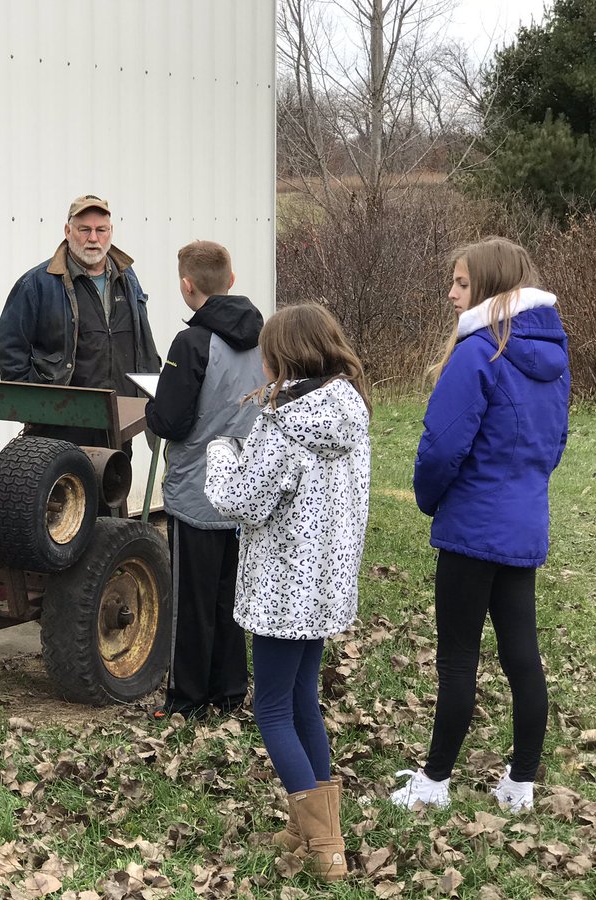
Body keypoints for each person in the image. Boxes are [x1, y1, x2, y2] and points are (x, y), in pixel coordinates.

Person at [390, 237, 570, 814]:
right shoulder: (554, 357)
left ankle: (436, 782)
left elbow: (441, 448)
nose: (451, 293)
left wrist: (428, 496)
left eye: (461, 283)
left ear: (489, 288)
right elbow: (554, 445)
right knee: (522, 651)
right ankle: (520, 784)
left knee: (458, 657)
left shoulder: (477, 354)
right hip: (522, 524)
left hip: (472, 528)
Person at [204, 304, 372, 882]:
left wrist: (222, 453)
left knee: (273, 709)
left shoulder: (282, 423)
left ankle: (326, 847)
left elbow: (241, 501)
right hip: (326, 584)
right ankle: (311, 824)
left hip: (281, 587)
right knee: (302, 698)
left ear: (281, 355)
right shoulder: (351, 408)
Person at [144, 241, 265, 720]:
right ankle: (230, 690)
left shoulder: (190, 344)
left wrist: (153, 407)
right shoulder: (266, 337)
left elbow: (170, 420)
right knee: (232, 594)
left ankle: (187, 699)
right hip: (247, 487)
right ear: (231, 282)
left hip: (197, 489)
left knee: (191, 600)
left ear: (186, 286)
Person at [0, 194, 160, 448]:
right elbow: (10, 350)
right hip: (59, 427)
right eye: (84, 230)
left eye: (101, 230)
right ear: (68, 231)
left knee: (111, 488)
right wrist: (35, 407)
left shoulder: (127, 278)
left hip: (117, 423)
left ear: (111, 231)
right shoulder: (38, 284)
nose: (93, 238)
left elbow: (142, 342)